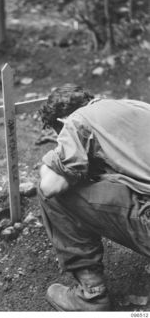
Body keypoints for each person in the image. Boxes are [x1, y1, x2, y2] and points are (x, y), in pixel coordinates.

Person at [38, 84, 150, 311]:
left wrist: (51, 159)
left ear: (60, 122)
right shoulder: (136, 105)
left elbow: (51, 185)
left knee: (55, 196)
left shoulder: (78, 121)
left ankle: (91, 296)